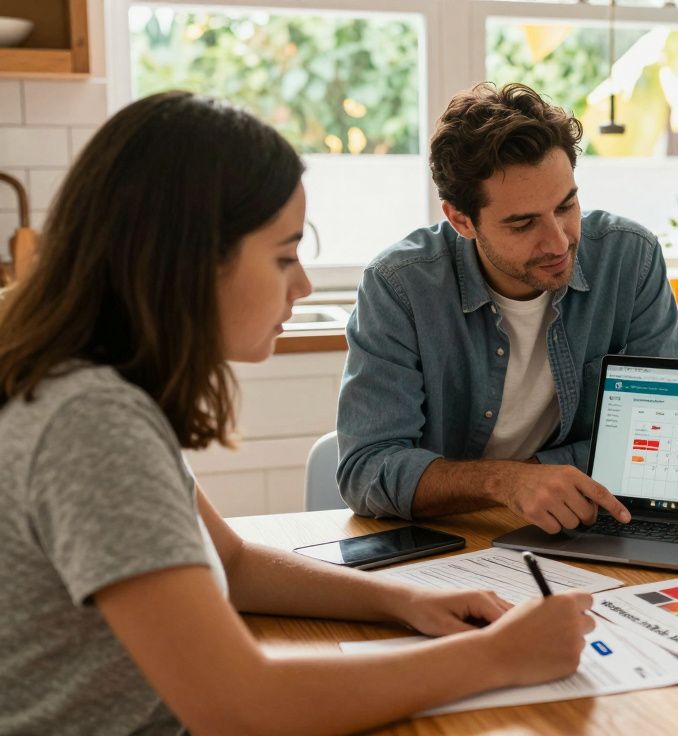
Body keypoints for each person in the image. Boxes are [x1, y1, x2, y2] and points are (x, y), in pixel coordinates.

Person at [0, 91, 595, 735]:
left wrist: (409, 602)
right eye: (285, 255)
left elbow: (231, 563)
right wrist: (497, 656)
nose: (304, 285)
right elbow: (238, 706)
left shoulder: (96, 390)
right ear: (190, 260)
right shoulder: (91, 424)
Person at [337, 82, 678, 530]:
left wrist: (538, 476)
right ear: (461, 219)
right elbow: (366, 471)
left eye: (567, 205)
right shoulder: (400, 286)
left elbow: (664, 432)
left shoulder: (630, 258)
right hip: (454, 539)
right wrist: (506, 483)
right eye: (523, 224)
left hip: (582, 527)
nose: (559, 241)